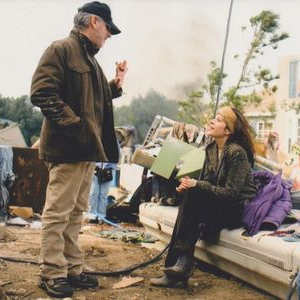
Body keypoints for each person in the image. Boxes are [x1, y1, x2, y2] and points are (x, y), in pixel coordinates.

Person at [30, 2, 127, 298]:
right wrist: (74, 125)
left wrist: (117, 84)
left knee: (75, 213)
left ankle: (72, 267)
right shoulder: (61, 49)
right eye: (108, 28)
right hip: (68, 148)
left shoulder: (91, 61)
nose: (109, 35)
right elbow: (41, 92)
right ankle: (52, 272)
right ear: (94, 22)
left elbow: (96, 98)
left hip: (85, 150)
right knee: (58, 213)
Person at [150, 106, 257, 288]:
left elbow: (231, 193)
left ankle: (180, 267)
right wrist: (188, 187)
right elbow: (207, 182)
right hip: (219, 206)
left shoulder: (236, 152)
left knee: (194, 194)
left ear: (228, 130)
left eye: (218, 119)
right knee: (190, 196)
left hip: (236, 210)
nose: (211, 121)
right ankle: (179, 265)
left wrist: (197, 185)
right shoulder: (211, 149)